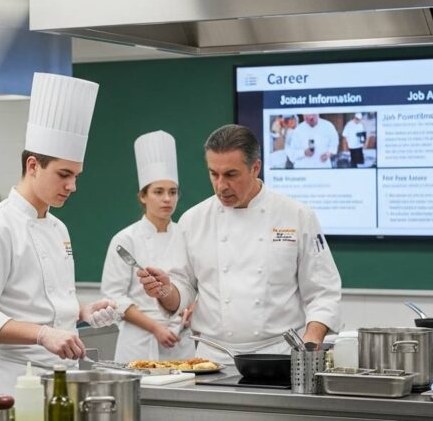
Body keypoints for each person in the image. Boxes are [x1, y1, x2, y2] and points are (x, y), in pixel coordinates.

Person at [0, 73, 121, 397]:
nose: (72, 186)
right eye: (64, 174)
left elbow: (41, 301)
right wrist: (42, 334)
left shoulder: (59, 228)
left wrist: (81, 311)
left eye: (76, 176)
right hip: (11, 385)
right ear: (33, 166)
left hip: (60, 381)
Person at [137, 124, 342, 363]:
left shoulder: (296, 215)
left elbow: (323, 292)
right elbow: (183, 290)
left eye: (231, 175)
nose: (221, 186)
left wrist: (311, 342)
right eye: (214, 174)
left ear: (255, 168)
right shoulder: (193, 220)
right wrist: (164, 291)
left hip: (279, 356)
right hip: (213, 358)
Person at [100, 130, 194, 362]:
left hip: (181, 339)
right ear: (143, 196)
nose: (167, 199)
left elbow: (197, 286)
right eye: (158, 192)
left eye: (173, 192)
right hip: (138, 342)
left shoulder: (187, 235)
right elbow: (114, 297)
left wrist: (192, 310)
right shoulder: (125, 240)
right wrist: (155, 327)